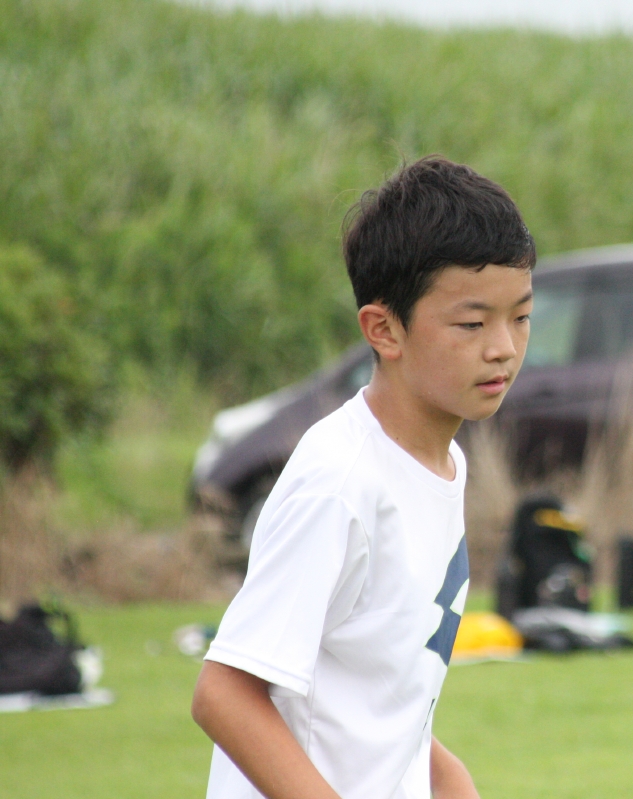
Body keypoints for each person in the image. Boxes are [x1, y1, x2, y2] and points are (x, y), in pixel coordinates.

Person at [192, 156, 536, 799]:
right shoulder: (340, 483)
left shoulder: (444, 463)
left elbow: (382, 687)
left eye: (520, 316)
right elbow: (225, 695)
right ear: (383, 330)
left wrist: (447, 778)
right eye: (472, 323)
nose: (504, 348)